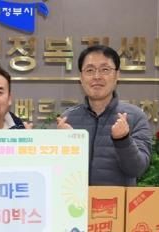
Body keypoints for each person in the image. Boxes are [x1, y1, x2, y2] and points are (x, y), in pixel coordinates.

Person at [57, 45, 152, 186]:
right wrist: (65, 146)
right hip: (76, 199)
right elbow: (58, 172)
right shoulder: (68, 119)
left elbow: (137, 169)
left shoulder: (135, 117)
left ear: (117, 75)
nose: (97, 76)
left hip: (116, 199)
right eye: (90, 70)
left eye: (105, 70)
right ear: (81, 77)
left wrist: (123, 140)